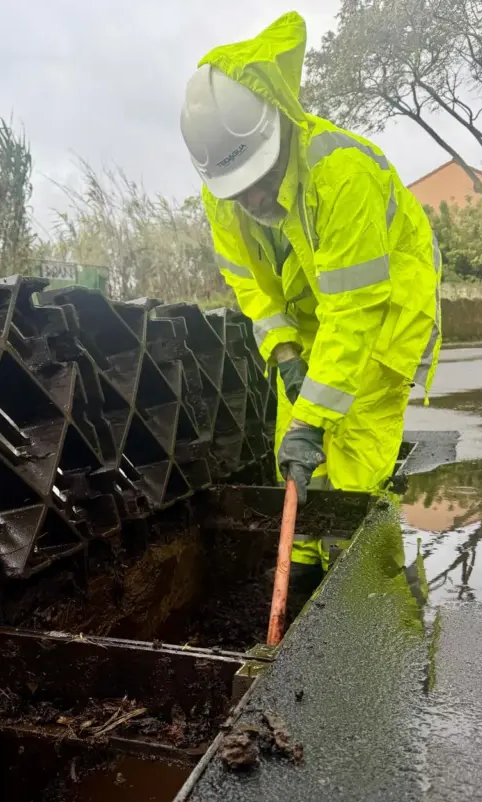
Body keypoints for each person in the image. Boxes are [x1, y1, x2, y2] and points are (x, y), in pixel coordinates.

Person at [180, 11, 441, 595]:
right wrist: (287, 350)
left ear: (276, 134)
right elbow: (251, 285)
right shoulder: (224, 192)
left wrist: (318, 417)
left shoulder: (340, 174)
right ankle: (299, 566)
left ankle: (354, 589)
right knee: (291, 448)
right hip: (310, 322)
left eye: (260, 178)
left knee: (349, 452)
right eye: (237, 189)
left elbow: (354, 311)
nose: (253, 197)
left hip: (382, 318)